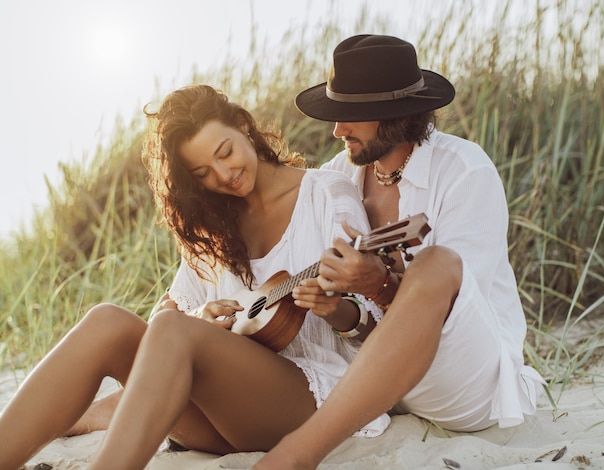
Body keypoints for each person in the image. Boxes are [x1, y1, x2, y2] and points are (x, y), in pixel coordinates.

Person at [0, 84, 391, 470]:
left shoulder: (325, 193)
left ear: (243, 126)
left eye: (226, 152)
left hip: (305, 403)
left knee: (173, 329)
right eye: (203, 172)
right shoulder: (215, 226)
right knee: (107, 322)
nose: (225, 175)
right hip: (218, 420)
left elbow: (378, 326)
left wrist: (336, 310)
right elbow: (165, 318)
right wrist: (199, 318)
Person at [253, 34, 545, 469]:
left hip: (464, 382)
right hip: (374, 383)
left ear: (395, 116)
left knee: (438, 263)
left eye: (351, 116)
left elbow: (465, 308)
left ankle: (297, 455)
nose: (337, 130)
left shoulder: (465, 170)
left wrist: (383, 285)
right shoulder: (336, 176)